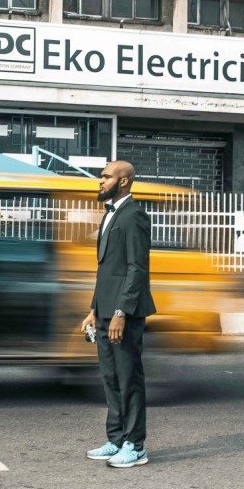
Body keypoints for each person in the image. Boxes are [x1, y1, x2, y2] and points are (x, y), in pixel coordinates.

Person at [81, 160, 156, 468]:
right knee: (110, 378)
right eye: (101, 176)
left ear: (123, 181)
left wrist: (120, 312)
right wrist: (93, 309)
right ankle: (116, 439)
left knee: (129, 379)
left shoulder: (134, 215)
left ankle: (135, 446)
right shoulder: (110, 214)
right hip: (104, 310)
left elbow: (136, 269)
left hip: (124, 313)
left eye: (106, 177)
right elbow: (106, 270)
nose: (100, 181)